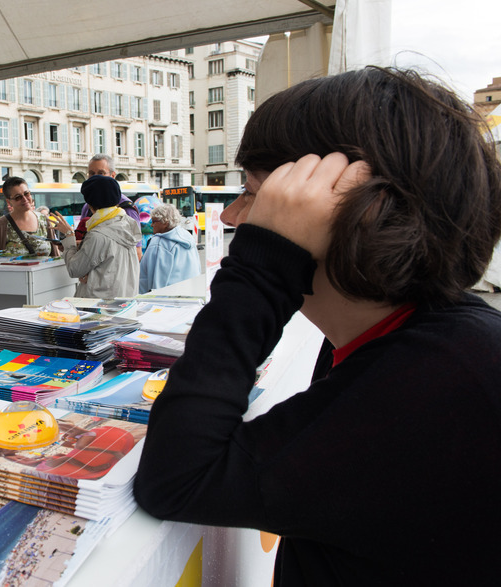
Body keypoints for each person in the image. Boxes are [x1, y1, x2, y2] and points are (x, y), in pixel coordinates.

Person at [134, 67, 501, 584]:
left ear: (356, 208)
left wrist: (261, 269)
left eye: (255, 194)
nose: (231, 217)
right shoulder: (416, 346)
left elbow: (176, 479)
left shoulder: (445, 378)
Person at [51, 175, 141, 298]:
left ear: (90, 204)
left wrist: (69, 236)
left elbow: (74, 269)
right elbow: (110, 262)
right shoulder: (127, 223)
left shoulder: (98, 235)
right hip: (124, 300)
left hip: (100, 306)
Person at [74, 155, 143, 259]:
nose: (95, 177)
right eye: (92, 173)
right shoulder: (86, 207)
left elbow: (137, 252)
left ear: (113, 175)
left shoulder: (126, 208)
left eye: (101, 173)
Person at [0, 177, 60, 256]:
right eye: (18, 197)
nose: (25, 199)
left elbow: (55, 255)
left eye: (26, 193)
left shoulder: (44, 220)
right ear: (9, 202)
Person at [138, 203, 200, 293]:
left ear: (165, 222)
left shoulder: (160, 243)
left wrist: (154, 299)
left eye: (154, 221)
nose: (151, 225)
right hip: (188, 293)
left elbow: (158, 280)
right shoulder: (187, 236)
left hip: (166, 298)